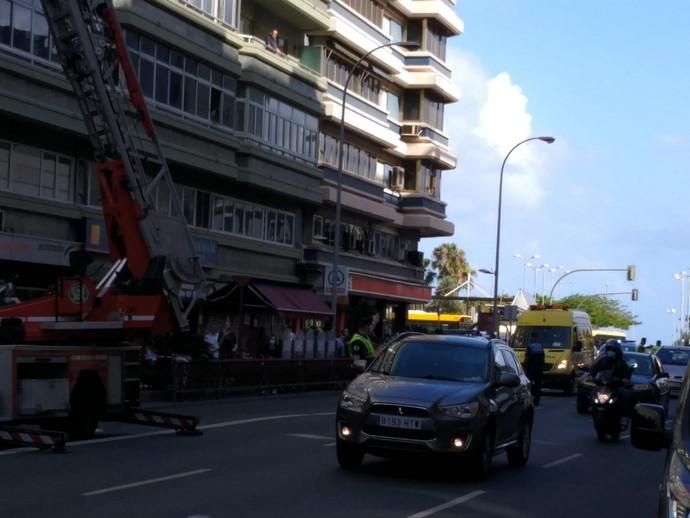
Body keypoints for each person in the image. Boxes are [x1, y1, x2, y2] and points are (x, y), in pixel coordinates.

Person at [590, 339, 633, 414]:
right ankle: (594, 410)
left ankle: (623, 416)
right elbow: (593, 370)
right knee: (592, 392)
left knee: (625, 394)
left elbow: (627, 374)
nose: (610, 351)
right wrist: (593, 377)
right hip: (602, 385)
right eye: (609, 349)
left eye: (612, 350)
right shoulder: (602, 360)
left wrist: (624, 380)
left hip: (615, 386)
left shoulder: (621, 363)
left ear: (617, 351)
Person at [524, 331, 545, 406]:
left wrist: (525, 366)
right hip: (539, 368)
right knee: (538, 384)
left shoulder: (530, 346)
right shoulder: (540, 346)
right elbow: (543, 358)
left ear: (532, 338)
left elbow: (527, 358)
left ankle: (529, 398)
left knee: (529, 383)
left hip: (531, 368)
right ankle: (537, 399)